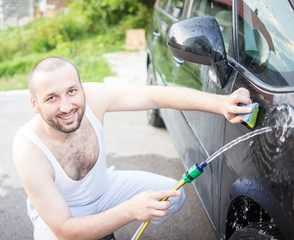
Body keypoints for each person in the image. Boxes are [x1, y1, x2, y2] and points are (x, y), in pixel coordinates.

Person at [12, 56, 252, 240]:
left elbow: (155, 96)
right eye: (51, 98)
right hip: (62, 214)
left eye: (71, 91)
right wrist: (130, 211)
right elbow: (65, 228)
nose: (66, 106)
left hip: (104, 188)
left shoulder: (94, 96)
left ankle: (101, 224)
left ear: (82, 89)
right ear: (35, 104)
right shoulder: (28, 148)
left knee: (173, 196)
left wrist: (220, 103)